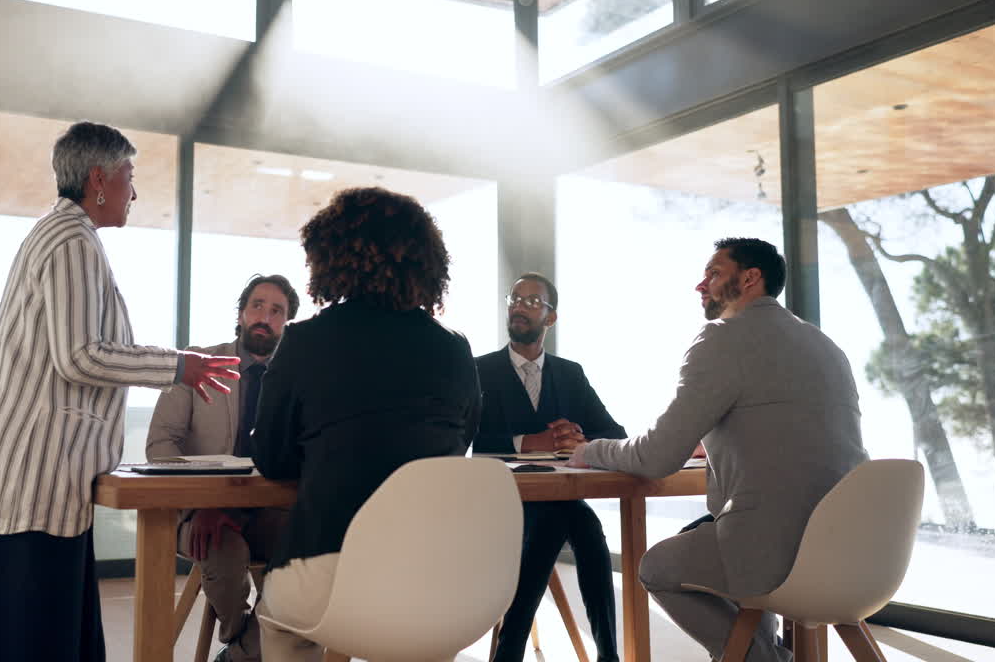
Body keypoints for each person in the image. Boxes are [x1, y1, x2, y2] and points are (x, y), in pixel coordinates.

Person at [0, 121, 240, 662]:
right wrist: (178, 366)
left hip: (22, 481)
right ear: (98, 179)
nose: (134, 192)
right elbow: (80, 355)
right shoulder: (72, 242)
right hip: (28, 484)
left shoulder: (60, 234)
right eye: (130, 176)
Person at [569, 238, 866, 662]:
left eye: (713, 273)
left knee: (657, 568)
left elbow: (656, 457)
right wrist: (716, 441)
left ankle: (764, 660)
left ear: (750, 278)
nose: (700, 285)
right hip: (850, 548)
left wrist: (590, 450)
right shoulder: (824, 345)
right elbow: (790, 434)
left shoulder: (723, 337)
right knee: (713, 533)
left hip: (779, 550)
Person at [251, 187, 482, 662]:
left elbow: (272, 458)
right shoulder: (455, 347)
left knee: (284, 626)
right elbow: (460, 442)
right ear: (426, 262)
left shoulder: (304, 340)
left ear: (329, 257)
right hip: (433, 574)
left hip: (327, 564)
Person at [146, 273, 301, 662]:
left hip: (269, 513)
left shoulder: (296, 381)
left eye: (277, 311)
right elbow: (160, 445)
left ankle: (239, 655)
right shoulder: (198, 363)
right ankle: (245, 642)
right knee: (223, 552)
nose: (265, 317)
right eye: (257, 306)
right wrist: (204, 502)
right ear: (241, 313)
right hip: (199, 514)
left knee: (308, 561)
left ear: (287, 323)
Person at [475, 272, 627, 662]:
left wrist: (581, 440)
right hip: (499, 503)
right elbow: (468, 440)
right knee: (566, 523)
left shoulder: (569, 373)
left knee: (578, 526)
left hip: (556, 500)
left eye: (532, 301)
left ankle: (599, 654)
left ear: (551, 317)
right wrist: (527, 443)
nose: (519, 307)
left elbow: (615, 433)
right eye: (514, 299)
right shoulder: (478, 370)